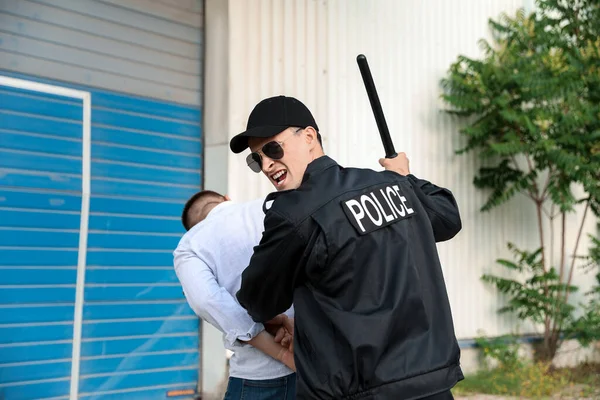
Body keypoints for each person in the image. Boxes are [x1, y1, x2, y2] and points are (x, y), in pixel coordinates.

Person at [229, 95, 464, 399]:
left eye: (272, 148)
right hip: (431, 386)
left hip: (357, 392)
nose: (266, 164)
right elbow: (447, 216)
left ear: (309, 137)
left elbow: (257, 300)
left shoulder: (294, 215)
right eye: (255, 159)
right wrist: (407, 178)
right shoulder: (395, 186)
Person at [173, 190, 296, 399]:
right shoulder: (271, 207)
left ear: (194, 226)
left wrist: (280, 353)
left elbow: (207, 300)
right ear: (227, 198)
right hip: (317, 364)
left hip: (257, 378)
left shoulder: (189, 245)